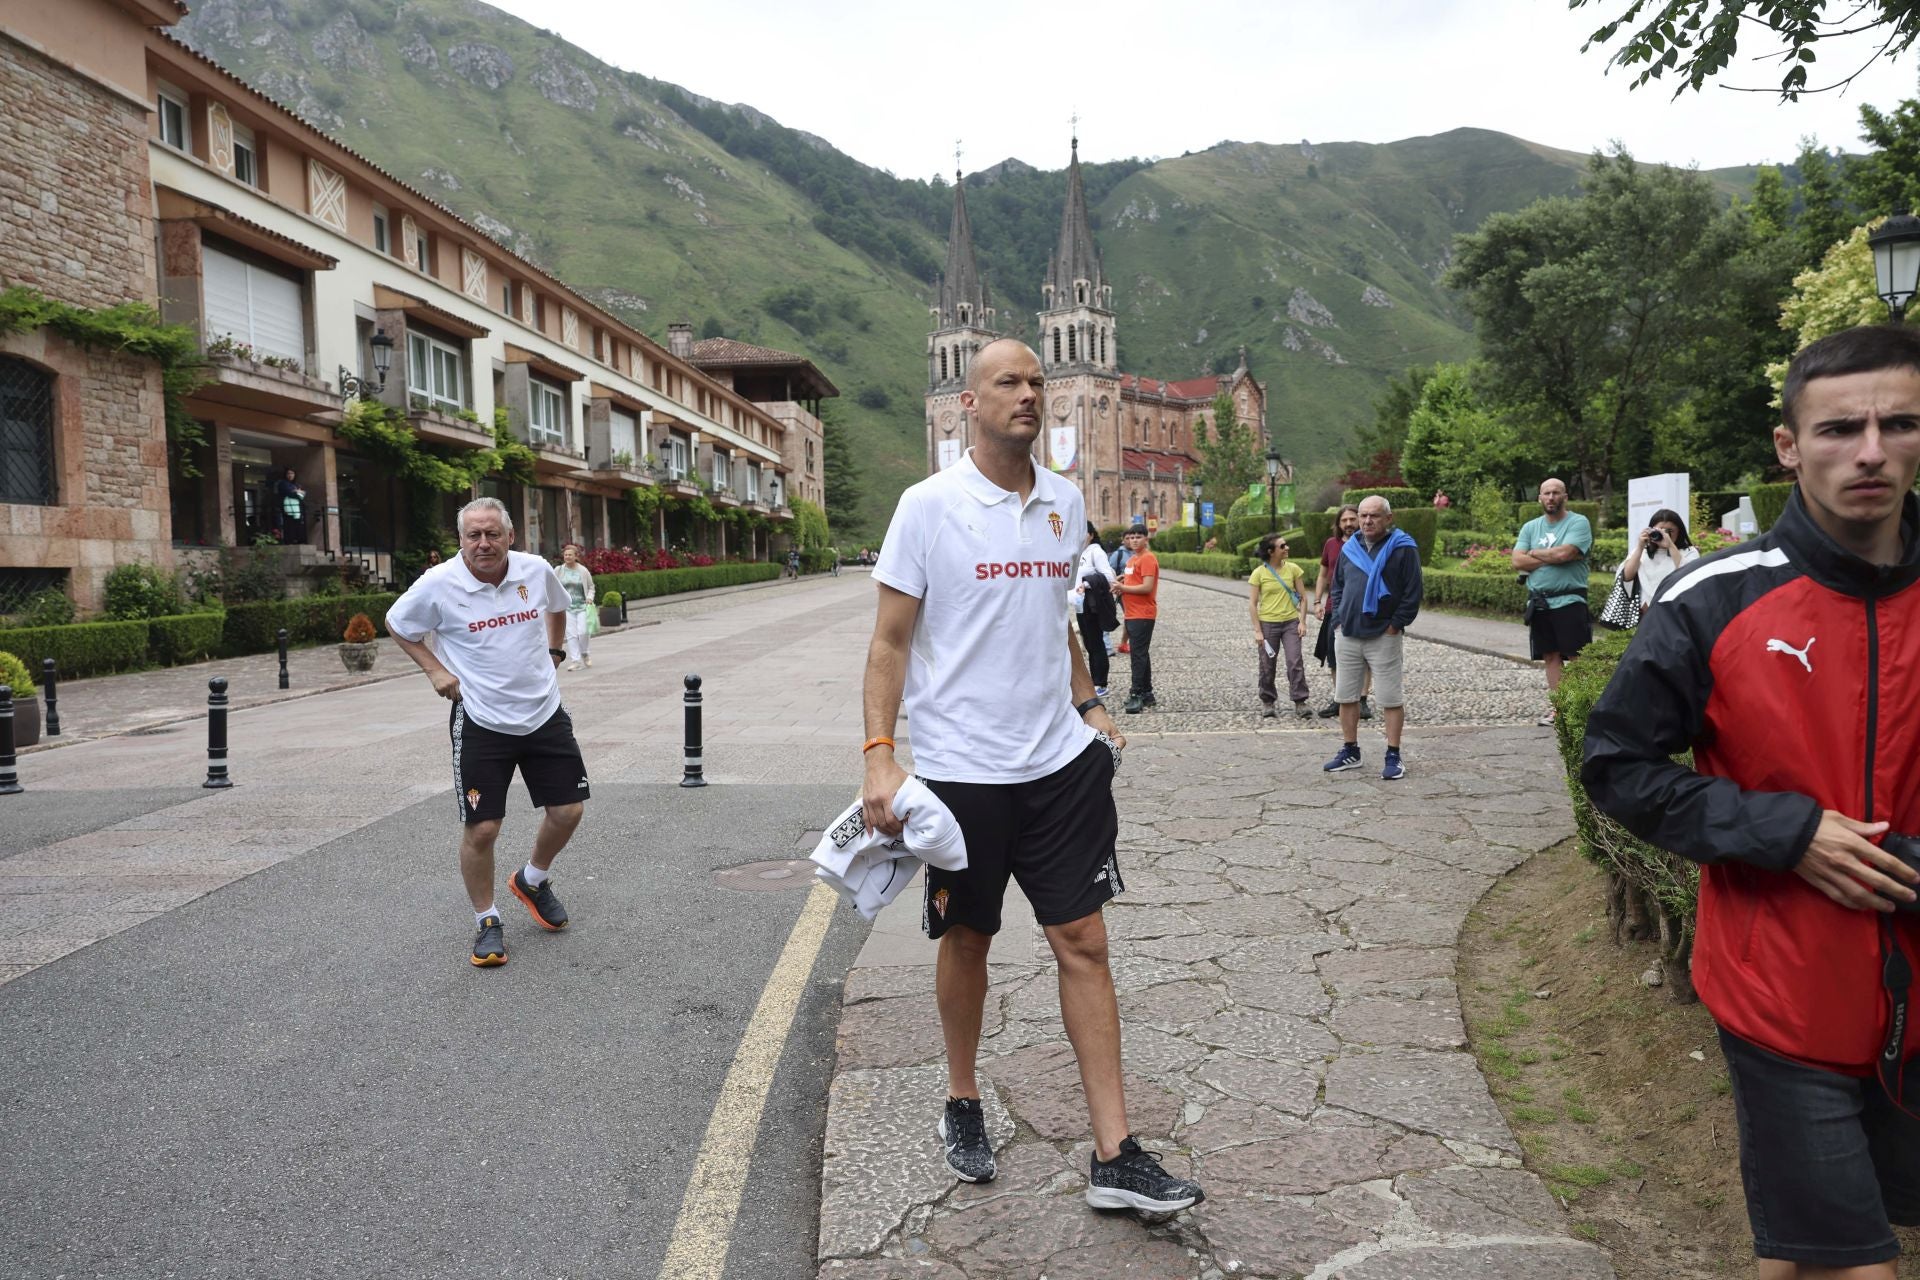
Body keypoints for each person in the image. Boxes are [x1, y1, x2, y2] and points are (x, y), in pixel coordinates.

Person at [1583, 325, 1920, 1279]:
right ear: (1788, 445)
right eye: (1838, 428)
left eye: (1898, 424)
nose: (1869, 451)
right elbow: (1618, 764)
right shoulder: (1712, 600)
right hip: (1785, 993)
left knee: (1805, 1244)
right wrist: (1789, 830)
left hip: (1918, 990)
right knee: (1858, 1261)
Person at [862, 336, 1204, 1217]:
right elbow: (890, 642)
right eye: (1008, 382)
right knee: (968, 940)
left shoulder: (1063, 501)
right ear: (967, 404)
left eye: (1037, 381)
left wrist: (1090, 708)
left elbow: (1055, 621)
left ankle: (1115, 1153)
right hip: (961, 776)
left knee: (1084, 943)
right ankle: (964, 1097)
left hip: (1057, 767)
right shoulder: (927, 506)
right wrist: (879, 756)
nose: (1028, 393)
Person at [385, 497, 588, 968]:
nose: (483, 543)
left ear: (510, 537)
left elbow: (557, 606)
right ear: (461, 540)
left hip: (543, 712)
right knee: (483, 828)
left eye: (492, 533)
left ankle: (532, 880)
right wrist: (435, 671)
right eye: (473, 535)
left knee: (568, 811)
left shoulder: (535, 570)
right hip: (480, 719)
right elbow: (398, 625)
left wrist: (555, 653)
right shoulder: (438, 584)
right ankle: (487, 919)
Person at [1323, 495, 1422, 780]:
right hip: (1349, 633)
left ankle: (1393, 754)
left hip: (1383, 635)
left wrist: (1395, 625)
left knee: (1390, 698)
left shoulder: (1403, 548)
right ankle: (1350, 750)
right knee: (1345, 696)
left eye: (1374, 516)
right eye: (1363, 515)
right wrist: (1339, 620)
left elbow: (1412, 592)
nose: (1366, 521)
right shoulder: (1349, 547)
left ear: (1388, 519)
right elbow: (1338, 584)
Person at [1512, 478, 1593, 726]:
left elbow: (1566, 553)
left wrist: (1534, 553)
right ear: (1539, 498)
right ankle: (1560, 708)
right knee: (1550, 656)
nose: (1551, 497)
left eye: (1556, 493)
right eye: (1546, 493)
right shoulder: (1530, 527)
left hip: (1570, 600)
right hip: (1540, 603)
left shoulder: (1578, 522)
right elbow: (1517, 561)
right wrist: (1551, 556)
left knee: (1576, 655)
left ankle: (1582, 708)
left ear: (1565, 497)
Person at [1315, 505, 1371, 720]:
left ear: (1358, 520)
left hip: (1362, 608)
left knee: (1365, 655)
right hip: (1334, 608)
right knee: (1334, 655)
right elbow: (1322, 575)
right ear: (1338, 524)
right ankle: (1340, 699)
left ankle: (1362, 700)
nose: (1348, 524)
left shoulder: (1367, 544)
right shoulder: (1331, 544)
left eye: (1351, 519)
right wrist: (1317, 602)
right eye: (1344, 521)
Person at [1248, 531, 1312, 718]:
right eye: (1282, 546)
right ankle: (1268, 701)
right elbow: (1252, 604)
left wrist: (1302, 621)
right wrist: (1258, 631)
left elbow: (1303, 597)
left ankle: (1300, 701)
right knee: (1267, 664)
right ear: (1271, 551)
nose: (1287, 548)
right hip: (1268, 624)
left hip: (1291, 623)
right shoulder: (1259, 573)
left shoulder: (1293, 569)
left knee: (1295, 661)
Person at [1114, 525, 1159, 714]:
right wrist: (1123, 581)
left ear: (1146, 539)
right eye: (1131, 537)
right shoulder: (1132, 559)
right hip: (1132, 613)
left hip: (1143, 614)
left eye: (1138, 537)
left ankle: (1136, 694)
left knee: (1137, 656)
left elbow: (1147, 587)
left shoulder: (1147, 558)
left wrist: (1123, 588)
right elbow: (1135, 581)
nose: (1134, 540)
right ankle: (1147, 693)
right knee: (1142, 654)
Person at [1070, 521, 1118, 699]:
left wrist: (1086, 584)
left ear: (1090, 534)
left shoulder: (1095, 552)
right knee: (1089, 644)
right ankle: (1093, 680)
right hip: (1080, 604)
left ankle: (1101, 683)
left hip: (1093, 604)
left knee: (1097, 644)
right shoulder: (1077, 553)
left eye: (1083, 533)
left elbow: (1107, 576)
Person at [1618, 507, 1698, 608]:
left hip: (1673, 610)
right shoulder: (1642, 551)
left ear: (1679, 531)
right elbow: (1627, 577)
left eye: (1670, 531)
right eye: (1660, 530)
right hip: (1644, 613)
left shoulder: (1689, 552)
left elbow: (1688, 575)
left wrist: (1670, 545)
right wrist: (1640, 547)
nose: (1665, 534)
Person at [555, 543, 595, 670]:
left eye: (570, 555)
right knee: (571, 635)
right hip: (566, 607)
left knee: (583, 632)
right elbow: (552, 586)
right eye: (566, 555)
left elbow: (591, 587)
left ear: (576, 556)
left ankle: (585, 653)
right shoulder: (558, 570)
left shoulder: (583, 570)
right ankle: (575, 661)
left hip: (582, 606)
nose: (567, 557)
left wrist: (589, 598)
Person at [273, 467, 306, 544]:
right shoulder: (283, 483)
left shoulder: (296, 484)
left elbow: (303, 494)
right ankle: (289, 541)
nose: (290, 475)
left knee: (297, 525)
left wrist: (297, 491)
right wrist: (297, 492)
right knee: (289, 525)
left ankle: (297, 540)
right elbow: (290, 493)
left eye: (292, 473)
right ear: (285, 474)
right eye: (288, 473)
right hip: (287, 508)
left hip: (297, 509)